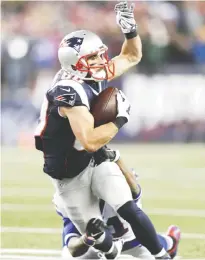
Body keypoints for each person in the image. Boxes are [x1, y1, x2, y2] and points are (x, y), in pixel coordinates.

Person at [35, 2, 169, 259]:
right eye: (92, 58)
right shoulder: (68, 90)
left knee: (128, 206)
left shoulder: (90, 73)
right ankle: (111, 246)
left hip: (92, 161)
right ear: (74, 64)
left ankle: (163, 255)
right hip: (68, 174)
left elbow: (131, 56)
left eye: (100, 54)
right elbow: (89, 141)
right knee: (97, 248)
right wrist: (120, 120)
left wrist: (129, 30)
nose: (101, 61)